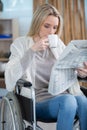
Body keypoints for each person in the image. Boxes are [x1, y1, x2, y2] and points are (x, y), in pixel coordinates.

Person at [5, 3, 87, 130]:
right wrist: (32, 51)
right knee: (69, 101)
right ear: (37, 23)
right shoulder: (21, 44)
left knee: (83, 101)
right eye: (47, 26)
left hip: (62, 94)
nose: (51, 32)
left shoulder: (58, 44)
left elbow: (66, 71)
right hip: (37, 101)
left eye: (55, 28)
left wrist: (80, 72)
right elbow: (10, 75)